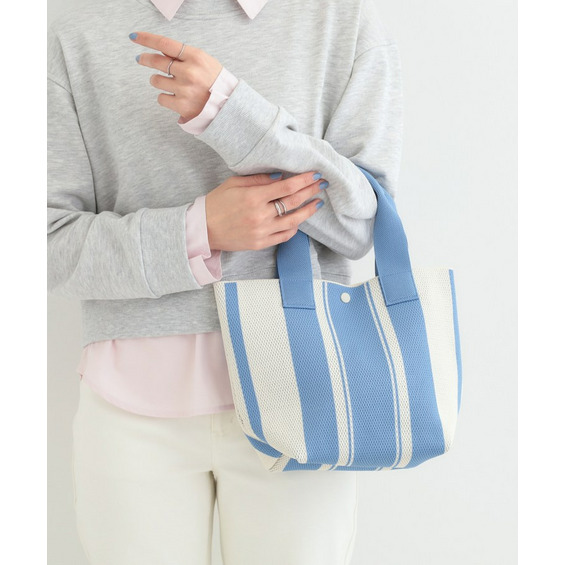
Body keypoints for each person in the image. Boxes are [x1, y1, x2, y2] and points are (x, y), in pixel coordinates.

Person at [47, 0, 402, 563]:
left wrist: (231, 114)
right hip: (131, 409)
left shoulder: (340, 19)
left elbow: (361, 224)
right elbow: (47, 245)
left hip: (303, 392)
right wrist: (199, 229)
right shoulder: (77, 30)